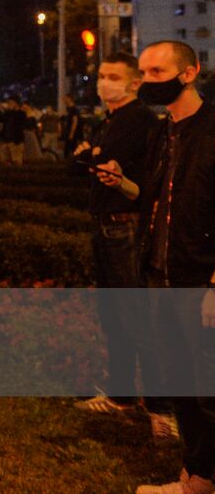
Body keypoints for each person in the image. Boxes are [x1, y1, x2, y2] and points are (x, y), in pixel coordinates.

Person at [104, 41, 215, 494]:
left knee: (205, 388)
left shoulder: (209, 131)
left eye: (157, 72)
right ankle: (194, 475)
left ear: (189, 73)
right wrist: (123, 183)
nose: (146, 81)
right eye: (144, 72)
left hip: (198, 281)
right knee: (181, 381)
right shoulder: (163, 132)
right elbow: (154, 200)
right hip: (159, 276)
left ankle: (202, 479)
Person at [68, 52, 173, 436]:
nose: (104, 83)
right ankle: (122, 395)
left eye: (113, 76)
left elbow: (130, 175)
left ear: (134, 83)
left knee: (138, 317)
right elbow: (77, 163)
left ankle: (162, 408)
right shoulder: (110, 121)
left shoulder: (140, 121)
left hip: (125, 228)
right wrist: (91, 156)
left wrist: (95, 158)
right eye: (101, 75)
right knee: (114, 317)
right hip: (106, 225)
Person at [0, 99, 28, 167]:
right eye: (9, 103)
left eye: (11, 103)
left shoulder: (21, 113)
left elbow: (19, 119)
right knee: (4, 160)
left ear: (16, 104)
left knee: (16, 161)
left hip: (16, 140)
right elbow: (0, 119)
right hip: (7, 139)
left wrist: (11, 110)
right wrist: (1, 110)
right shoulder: (8, 113)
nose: (9, 105)